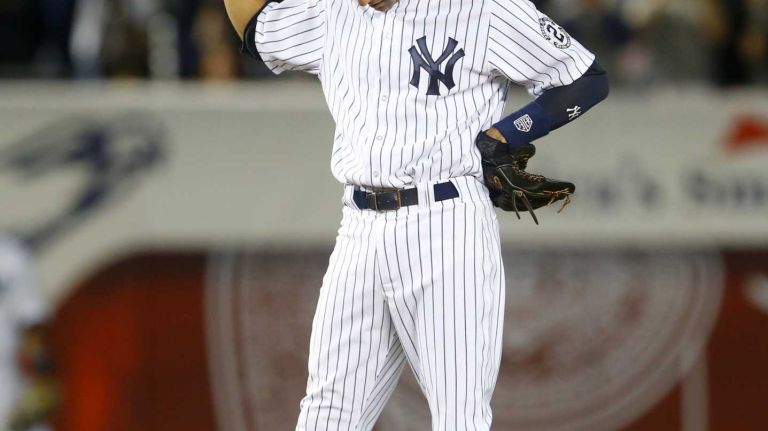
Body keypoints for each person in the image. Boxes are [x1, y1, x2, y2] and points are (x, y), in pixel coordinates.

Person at [222, 0, 608, 429]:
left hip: (446, 223)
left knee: (458, 417)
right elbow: (254, 26)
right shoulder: (335, 11)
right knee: (327, 413)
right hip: (359, 229)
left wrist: (507, 133)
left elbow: (584, 80)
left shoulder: (483, 9)